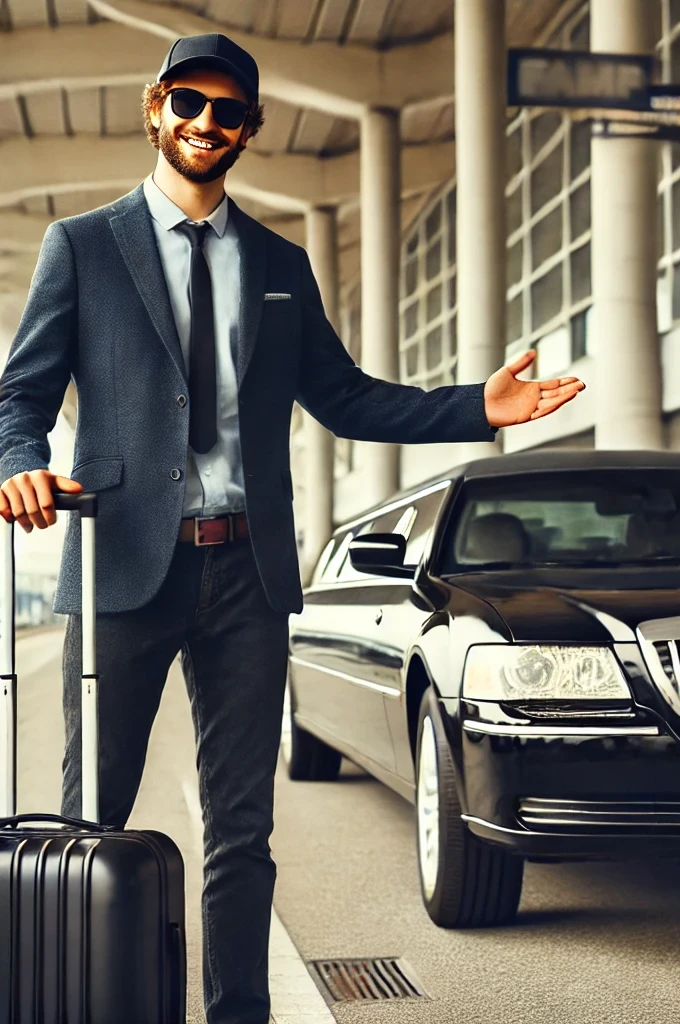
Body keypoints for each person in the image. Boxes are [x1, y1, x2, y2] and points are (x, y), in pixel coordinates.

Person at [0, 33, 584, 1024]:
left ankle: (239, 1014)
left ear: (250, 131)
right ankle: (69, 1004)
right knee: (86, 813)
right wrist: (19, 464)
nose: (206, 123)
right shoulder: (84, 247)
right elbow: (21, 393)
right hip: (121, 570)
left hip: (248, 578)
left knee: (242, 829)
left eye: (229, 112)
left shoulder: (279, 263)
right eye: (189, 101)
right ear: (156, 107)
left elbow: (346, 398)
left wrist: (475, 407)